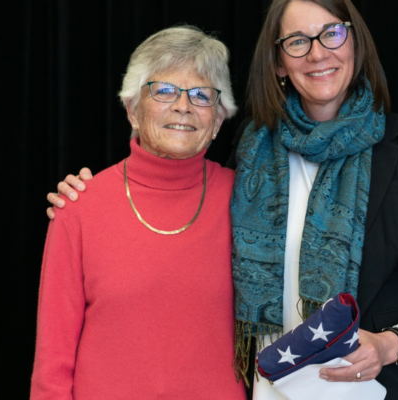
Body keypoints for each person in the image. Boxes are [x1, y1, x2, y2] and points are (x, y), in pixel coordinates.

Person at [46, 1, 398, 398]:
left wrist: (392, 345)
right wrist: (87, 200)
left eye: (331, 34)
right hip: (269, 391)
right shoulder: (252, 157)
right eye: (297, 41)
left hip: (375, 390)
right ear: (278, 62)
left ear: (355, 42)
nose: (317, 54)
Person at [31, 26, 244, 399]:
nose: (183, 106)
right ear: (132, 109)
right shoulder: (80, 206)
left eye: (201, 95)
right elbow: (53, 360)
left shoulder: (247, 199)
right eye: (163, 91)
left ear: (218, 121)